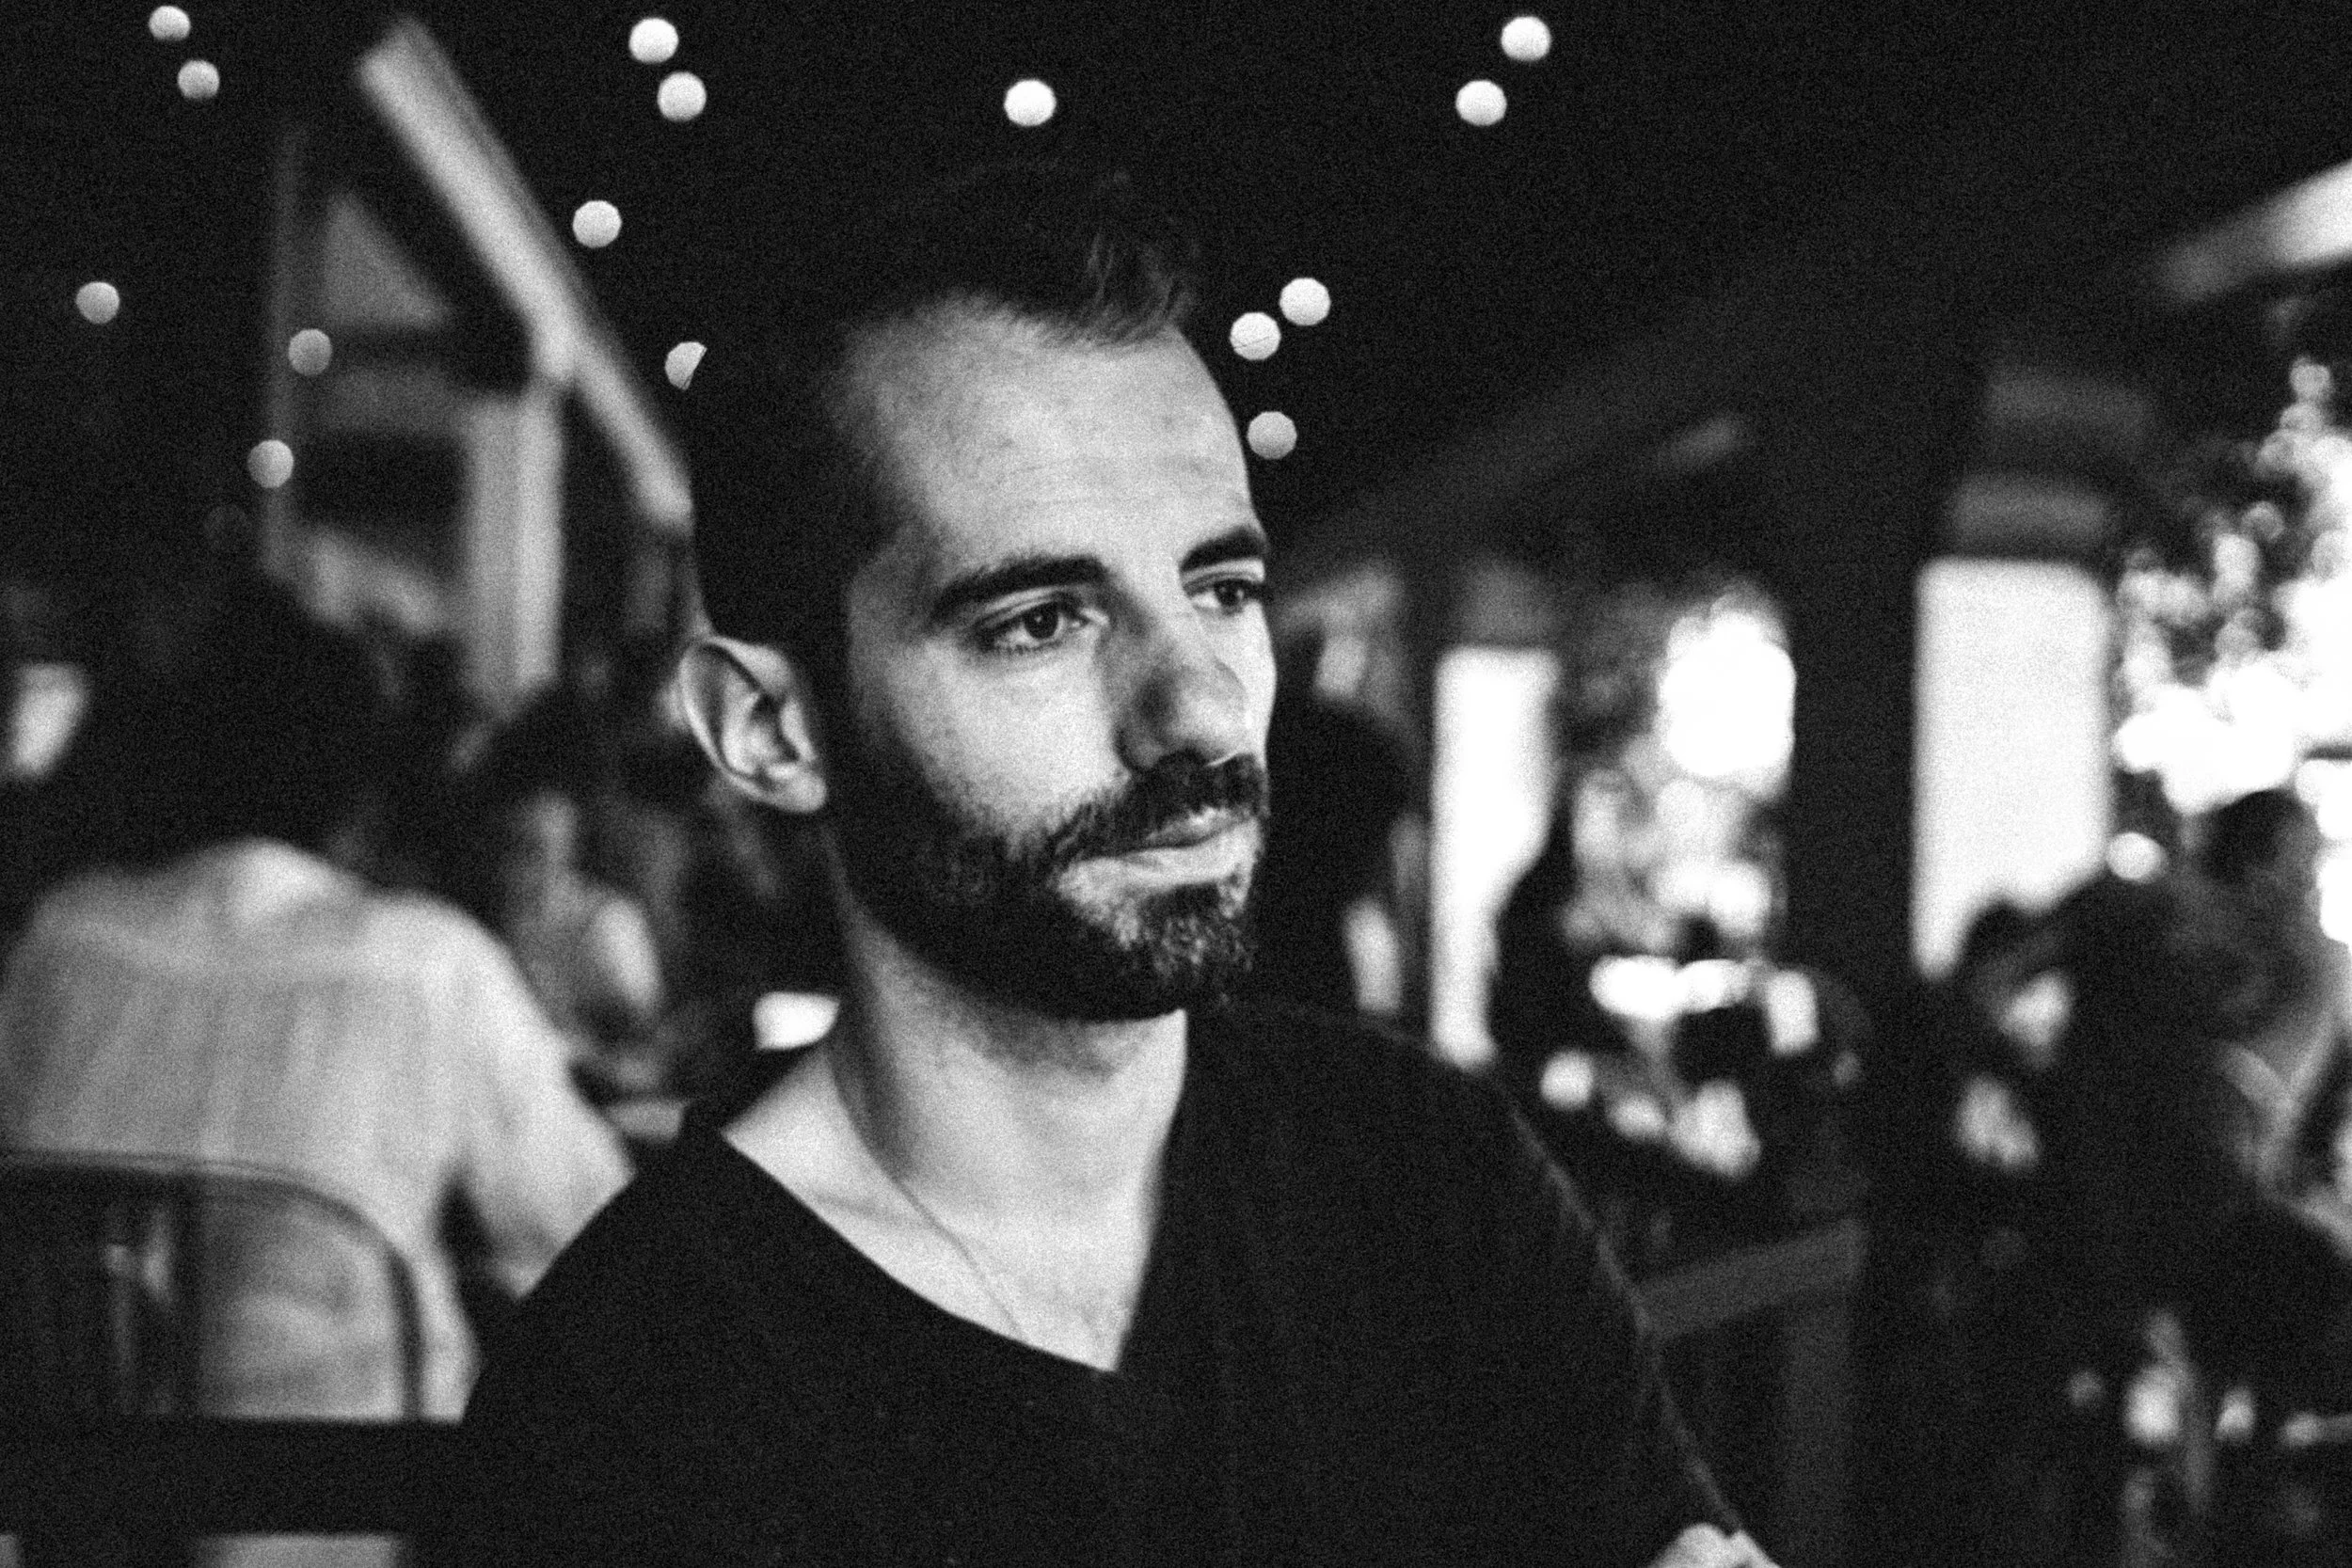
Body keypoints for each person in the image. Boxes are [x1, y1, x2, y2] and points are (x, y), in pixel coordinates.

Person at [457, 164, 1774, 1568]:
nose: (1198, 707)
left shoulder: (1427, 1173)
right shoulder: (634, 1397)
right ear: (772, 729)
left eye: (1221, 589)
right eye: (1039, 619)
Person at [0, 581, 630, 1433]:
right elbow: (599, 1236)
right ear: (361, 790)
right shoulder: (428, 964)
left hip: (83, 1485)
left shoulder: (65, 942)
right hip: (352, 1487)